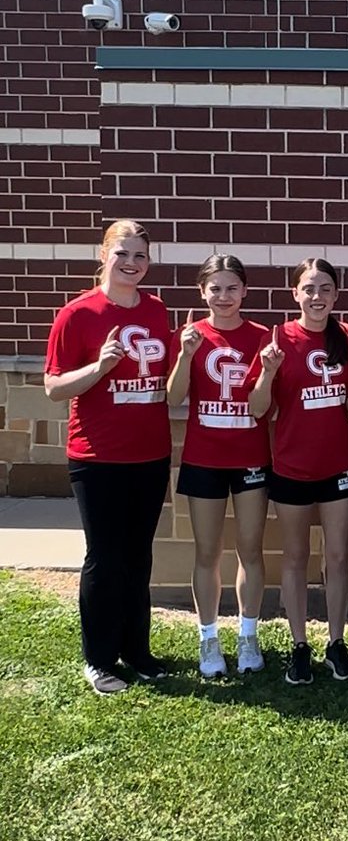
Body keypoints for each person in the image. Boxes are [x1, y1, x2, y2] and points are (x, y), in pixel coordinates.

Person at [44, 220, 172, 694]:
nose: (132, 264)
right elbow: (54, 388)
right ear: (104, 255)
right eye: (123, 254)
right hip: (96, 458)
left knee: (138, 557)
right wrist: (99, 367)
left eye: (140, 256)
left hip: (150, 454)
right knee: (104, 555)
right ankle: (98, 658)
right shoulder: (77, 314)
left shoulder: (157, 310)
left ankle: (137, 651)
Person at [247, 258, 348, 686]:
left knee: (337, 558)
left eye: (325, 288)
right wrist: (268, 372)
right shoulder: (279, 340)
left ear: (335, 294)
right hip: (291, 467)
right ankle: (299, 646)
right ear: (295, 293)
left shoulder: (346, 338)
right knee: (295, 558)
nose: (317, 297)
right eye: (309, 288)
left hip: (338, 470)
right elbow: (258, 409)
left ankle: (336, 643)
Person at [165, 254, 270, 678]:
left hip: (249, 457)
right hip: (204, 457)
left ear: (244, 291)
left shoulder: (263, 337)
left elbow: (263, 409)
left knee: (251, 549)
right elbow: (173, 398)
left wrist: (268, 373)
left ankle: (248, 634)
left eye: (231, 288)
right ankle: (209, 638)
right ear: (202, 291)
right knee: (207, 551)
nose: (223, 296)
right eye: (215, 288)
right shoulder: (190, 335)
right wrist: (186, 355)